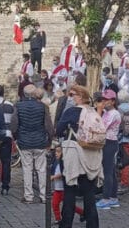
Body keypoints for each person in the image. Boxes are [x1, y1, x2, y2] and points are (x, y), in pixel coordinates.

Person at [55, 85, 103, 228]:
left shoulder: (71, 112)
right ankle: (93, 224)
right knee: (89, 194)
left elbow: (58, 130)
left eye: (72, 94)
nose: (70, 97)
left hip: (74, 154)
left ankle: (66, 224)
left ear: (80, 96)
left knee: (69, 191)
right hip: (91, 155)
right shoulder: (93, 112)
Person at [12, 83, 53, 204]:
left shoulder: (18, 106)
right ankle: (44, 195)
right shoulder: (42, 106)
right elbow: (48, 126)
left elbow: (14, 125)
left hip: (24, 141)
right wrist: (49, 140)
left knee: (27, 168)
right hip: (40, 141)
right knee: (41, 169)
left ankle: (28, 196)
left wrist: (16, 137)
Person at [95, 90, 121, 210]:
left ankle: (106, 198)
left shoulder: (114, 114)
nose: (104, 102)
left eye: (107, 100)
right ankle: (113, 197)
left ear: (113, 101)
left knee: (108, 171)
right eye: (103, 100)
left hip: (110, 142)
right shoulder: (107, 112)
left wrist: (99, 111)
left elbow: (102, 127)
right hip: (106, 142)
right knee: (110, 170)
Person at [0, 84, 16, 197]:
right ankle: (5, 185)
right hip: (7, 135)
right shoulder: (10, 105)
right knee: (6, 162)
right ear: (3, 92)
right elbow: (13, 121)